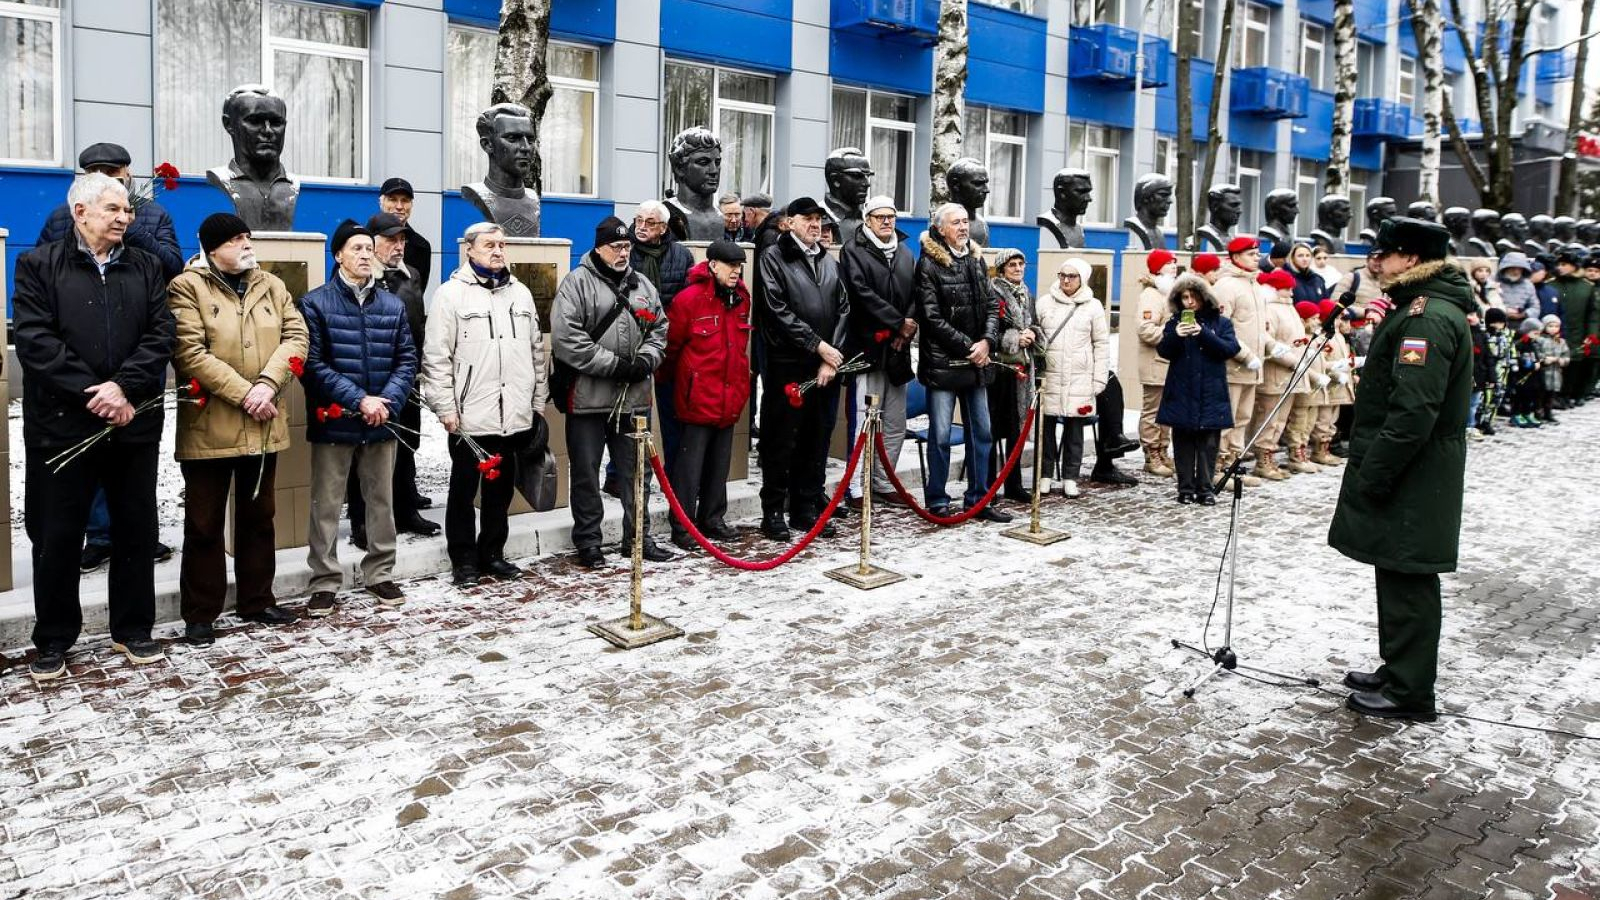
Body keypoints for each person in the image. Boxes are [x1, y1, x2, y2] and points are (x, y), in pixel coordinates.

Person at [13, 173, 176, 680]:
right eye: (113, 209)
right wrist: (97, 393)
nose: (125, 218)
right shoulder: (37, 265)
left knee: (135, 529)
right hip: (62, 425)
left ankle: (134, 629)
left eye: (126, 209)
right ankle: (55, 638)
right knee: (58, 535)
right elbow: (36, 341)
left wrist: (123, 388)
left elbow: (161, 333)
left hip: (132, 422)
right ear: (81, 212)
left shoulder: (146, 266)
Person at [1329, 217, 1475, 723]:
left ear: (1411, 259)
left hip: (1414, 470)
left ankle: (1410, 691)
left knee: (1409, 574)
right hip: (1414, 466)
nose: (1377, 260)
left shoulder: (1426, 318)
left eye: (1386, 253)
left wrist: (1375, 473)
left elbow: (1414, 412)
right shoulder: (1418, 308)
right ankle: (1399, 668)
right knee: (1395, 568)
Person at [168, 213, 309, 645]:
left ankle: (256, 599)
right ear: (213, 250)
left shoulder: (272, 285)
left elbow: (296, 335)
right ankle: (200, 613)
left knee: (258, 517)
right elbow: (189, 352)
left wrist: (267, 385)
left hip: (264, 424)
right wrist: (244, 393)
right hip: (211, 426)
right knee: (205, 523)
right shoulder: (186, 287)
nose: (246, 244)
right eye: (236, 239)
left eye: (247, 236)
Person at [39, 143, 182, 572]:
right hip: (84, 371)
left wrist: (129, 224)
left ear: (129, 173)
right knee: (90, 447)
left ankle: (140, 532)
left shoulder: (152, 216)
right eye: (98, 173)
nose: (111, 181)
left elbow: (172, 266)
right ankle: (99, 535)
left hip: (137, 366)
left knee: (136, 454)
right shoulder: (64, 216)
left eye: (115, 173)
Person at [422, 222, 550, 585]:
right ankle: (463, 560)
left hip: (514, 413)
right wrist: (445, 407)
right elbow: (436, 358)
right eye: (489, 245)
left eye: (502, 244)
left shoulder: (521, 294)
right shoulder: (450, 295)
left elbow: (536, 353)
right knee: (463, 491)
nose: (498, 251)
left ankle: (493, 552)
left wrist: (537, 403)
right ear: (470, 251)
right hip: (469, 416)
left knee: (501, 491)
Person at [300, 220, 416, 617]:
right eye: (357, 249)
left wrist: (386, 401)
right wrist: (359, 399)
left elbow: (406, 360)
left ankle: (380, 572)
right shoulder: (315, 303)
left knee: (381, 500)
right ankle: (324, 580)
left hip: (381, 418)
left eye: (370, 248)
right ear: (338, 256)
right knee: (327, 504)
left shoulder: (392, 304)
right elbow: (313, 365)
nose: (366, 255)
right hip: (336, 419)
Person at [553, 216, 673, 567]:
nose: (623, 253)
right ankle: (588, 541)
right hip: (588, 398)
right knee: (587, 474)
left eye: (626, 247)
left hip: (633, 399)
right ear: (599, 248)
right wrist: (615, 365)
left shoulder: (643, 286)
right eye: (616, 247)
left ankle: (638, 536)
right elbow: (567, 339)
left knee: (638, 472)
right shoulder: (575, 284)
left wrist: (646, 360)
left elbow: (660, 329)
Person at [755, 198, 851, 538]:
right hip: (789, 364)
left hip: (825, 367)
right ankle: (773, 513)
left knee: (816, 439)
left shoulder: (827, 260)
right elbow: (776, 310)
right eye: (807, 219)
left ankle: (805, 508)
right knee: (781, 440)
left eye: (818, 220)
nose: (814, 225)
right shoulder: (773, 258)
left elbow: (843, 308)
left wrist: (830, 356)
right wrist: (818, 346)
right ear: (789, 222)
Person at [347, 212, 439, 546]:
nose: (398, 246)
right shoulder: (360, 278)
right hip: (370, 382)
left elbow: (416, 323)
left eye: (402, 240)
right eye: (391, 240)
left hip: (406, 377)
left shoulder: (411, 275)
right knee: (365, 451)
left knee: (406, 444)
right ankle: (361, 519)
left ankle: (406, 509)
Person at [914, 203, 1010, 520]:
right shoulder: (928, 264)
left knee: (981, 433)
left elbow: (993, 306)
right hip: (944, 365)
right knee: (940, 436)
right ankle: (938, 500)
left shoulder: (976, 259)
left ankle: (979, 499)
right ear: (941, 229)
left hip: (978, 364)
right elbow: (931, 318)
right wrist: (971, 346)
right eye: (956, 223)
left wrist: (987, 342)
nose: (963, 227)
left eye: (966, 221)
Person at [663, 240, 751, 550]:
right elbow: (671, 348)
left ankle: (713, 517)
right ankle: (683, 525)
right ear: (713, 265)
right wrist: (679, 386)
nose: (736, 272)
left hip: (729, 393)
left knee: (719, 463)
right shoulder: (689, 300)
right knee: (690, 466)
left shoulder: (741, 297)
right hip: (697, 395)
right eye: (731, 266)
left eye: (739, 266)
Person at [840, 196, 918, 508]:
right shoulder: (853, 250)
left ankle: (884, 482)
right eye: (879, 217)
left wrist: (907, 327)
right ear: (867, 219)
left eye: (891, 217)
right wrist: (898, 322)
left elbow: (915, 293)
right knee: (863, 420)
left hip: (898, 350)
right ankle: (856, 487)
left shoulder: (905, 253)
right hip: (867, 348)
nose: (886, 222)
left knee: (896, 422)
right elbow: (860, 294)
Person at [1156, 275, 1240, 505]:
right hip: (1182, 389)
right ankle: (1185, 489)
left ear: (1204, 298)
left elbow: (1230, 349)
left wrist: (1203, 333)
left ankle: (1205, 489)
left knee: (1208, 444)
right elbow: (1163, 350)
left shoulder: (1221, 323)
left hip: (1210, 391)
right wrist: (1176, 336)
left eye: (1193, 297)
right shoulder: (1175, 322)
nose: (1189, 302)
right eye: (1184, 297)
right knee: (1182, 443)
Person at [627, 200, 695, 479]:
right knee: (631, 414)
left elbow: (685, 301)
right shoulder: (625, 250)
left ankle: (674, 472)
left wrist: (666, 333)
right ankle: (621, 475)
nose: (641, 227)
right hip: (631, 343)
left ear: (664, 227)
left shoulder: (681, 255)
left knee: (670, 411)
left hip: (669, 344)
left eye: (650, 222)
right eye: (638, 220)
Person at [1035, 258, 1108, 500]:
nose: (1066, 280)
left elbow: (1101, 343)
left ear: (1082, 278)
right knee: (1046, 427)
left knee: (1075, 429)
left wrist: (1099, 379)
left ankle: (1070, 477)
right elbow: (1036, 337)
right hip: (1051, 375)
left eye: (1072, 276)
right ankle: (1044, 474)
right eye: (1062, 274)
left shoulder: (1093, 306)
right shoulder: (1045, 303)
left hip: (1080, 377)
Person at [1210, 237, 1267, 485]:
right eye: (1250, 253)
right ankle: (1216, 467)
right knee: (1225, 419)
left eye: (1257, 253)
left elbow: (1258, 328)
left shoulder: (1254, 284)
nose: (1256, 257)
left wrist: (1270, 347)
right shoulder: (1226, 286)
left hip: (1252, 368)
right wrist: (1245, 355)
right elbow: (1222, 329)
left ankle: (1233, 465)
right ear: (1235, 257)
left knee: (1242, 418)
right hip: (1231, 366)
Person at [988, 247, 1042, 503]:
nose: (1018, 269)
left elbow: (1033, 323)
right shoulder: (993, 292)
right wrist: (1014, 338)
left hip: (1022, 368)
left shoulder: (1026, 293)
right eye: (1012, 265)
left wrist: (1032, 334)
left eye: (1021, 264)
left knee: (1016, 429)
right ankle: (989, 483)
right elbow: (989, 331)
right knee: (994, 427)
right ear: (1002, 269)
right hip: (1000, 369)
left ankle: (1013, 482)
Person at [1246, 268, 1310, 481]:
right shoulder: (1270, 309)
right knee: (1270, 419)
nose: (1291, 292)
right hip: (1276, 373)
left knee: (1280, 420)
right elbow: (1267, 342)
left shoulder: (1289, 308)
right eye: (1286, 288)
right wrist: (1291, 361)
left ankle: (1270, 456)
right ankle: (1263, 459)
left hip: (1290, 374)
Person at [1134, 249, 1179, 478]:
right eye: (1168, 263)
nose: (1173, 265)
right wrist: (1173, 333)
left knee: (1166, 411)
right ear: (1157, 267)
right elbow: (1145, 330)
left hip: (1170, 362)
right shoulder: (1152, 295)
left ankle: (1162, 450)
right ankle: (1151, 453)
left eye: (1174, 262)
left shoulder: (1170, 293)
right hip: (1155, 361)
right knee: (1153, 410)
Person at [1283, 300, 1334, 474]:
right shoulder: (1300, 339)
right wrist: (1315, 376)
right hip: (1304, 387)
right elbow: (1301, 364)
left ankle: (1303, 454)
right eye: (1313, 318)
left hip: (1314, 389)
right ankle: (1296, 456)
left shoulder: (1315, 339)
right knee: (1299, 422)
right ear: (1303, 320)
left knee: (1309, 423)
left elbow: (1321, 362)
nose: (1317, 322)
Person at [1551, 247, 1596, 406]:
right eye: (1559, 264)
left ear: (1574, 266)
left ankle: (1571, 394)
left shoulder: (1587, 287)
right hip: (1556, 331)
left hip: (1578, 331)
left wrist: (1591, 334)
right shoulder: (1552, 285)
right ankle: (1557, 396)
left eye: (1564, 264)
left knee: (1575, 364)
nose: (1560, 267)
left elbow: (1592, 314)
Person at [378, 177, 432, 288]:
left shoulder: (421, 247)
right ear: (381, 202)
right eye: (393, 199)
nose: (399, 206)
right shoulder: (362, 239)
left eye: (405, 200)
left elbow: (417, 296)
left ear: (411, 205)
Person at [1508, 318, 1544, 428]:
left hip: (1532, 376)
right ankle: (1516, 414)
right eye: (1535, 333)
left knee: (1530, 395)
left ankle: (1527, 413)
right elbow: (1519, 359)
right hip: (1521, 375)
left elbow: (1536, 356)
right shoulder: (1519, 344)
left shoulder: (1533, 344)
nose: (1537, 336)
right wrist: (1532, 365)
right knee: (1520, 395)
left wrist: (1539, 361)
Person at [1534, 314, 1570, 423]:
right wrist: (1544, 359)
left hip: (1556, 373)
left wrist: (1561, 360)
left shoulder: (1561, 341)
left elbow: (1566, 355)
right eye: (1550, 326)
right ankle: (1537, 412)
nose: (1554, 329)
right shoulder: (1539, 340)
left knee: (1551, 395)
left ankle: (1548, 412)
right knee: (1541, 394)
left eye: (1556, 326)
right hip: (1544, 373)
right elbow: (1537, 354)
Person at [1496, 252, 1538, 324]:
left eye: (1519, 269)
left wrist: (1523, 314)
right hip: (1497, 321)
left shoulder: (1528, 285)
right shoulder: (1493, 281)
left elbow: (1535, 307)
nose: (1516, 272)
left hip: (1520, 323)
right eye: (1513, 268)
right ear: (1506, 268)